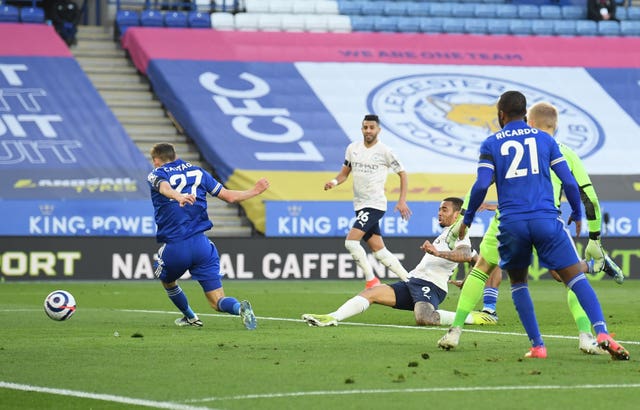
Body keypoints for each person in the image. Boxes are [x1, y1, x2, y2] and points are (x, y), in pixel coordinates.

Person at [438, 91, 629, 360]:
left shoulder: (492, 143)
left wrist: (464, 220)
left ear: (501, 115)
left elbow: (480, 185)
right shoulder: (551, 144)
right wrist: (581, 219)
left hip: (509, 221)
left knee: (492, 273)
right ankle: (594, 334)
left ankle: (527, 344)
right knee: (573, 277)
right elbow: (579, 188)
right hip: (548, 219)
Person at [302, 197, 497, 328]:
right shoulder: (447, 233)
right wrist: (470, 279)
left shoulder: (460, 231)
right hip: (413, 281)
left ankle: (473, 317)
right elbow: (475, 259)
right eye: (439, 209)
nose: (439, 213)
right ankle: (332, 317)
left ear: (457, 215)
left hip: (432, 286)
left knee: (424, 318)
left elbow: (464, 253)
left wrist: (437, 252)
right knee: (372, 292)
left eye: (444, 210)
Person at [147, 142, 269, 330]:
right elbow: (229, 196)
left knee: (168, 281)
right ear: (174, 154)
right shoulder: (199, 172)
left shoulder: (157, 173)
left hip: (176, 246)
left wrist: (178, 196)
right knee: (217, 300)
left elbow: (164, 188)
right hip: (202, 245)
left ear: (156, 161)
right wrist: (254, 191)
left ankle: (190, 317)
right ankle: (239, 308)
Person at [325, 114, 412, 289]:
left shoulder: (385, 151)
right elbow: (344, 173)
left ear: (378, 130)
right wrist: (333, 182)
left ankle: (371, 281)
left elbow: (402, 173)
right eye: (365, 127)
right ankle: (409, 281)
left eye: (372, 127)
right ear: (362, 129)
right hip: (359, 205)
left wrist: (402, 201)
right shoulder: (353, 148)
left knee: (350, 242)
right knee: (379, 251)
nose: (368, 131)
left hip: (375, 204)